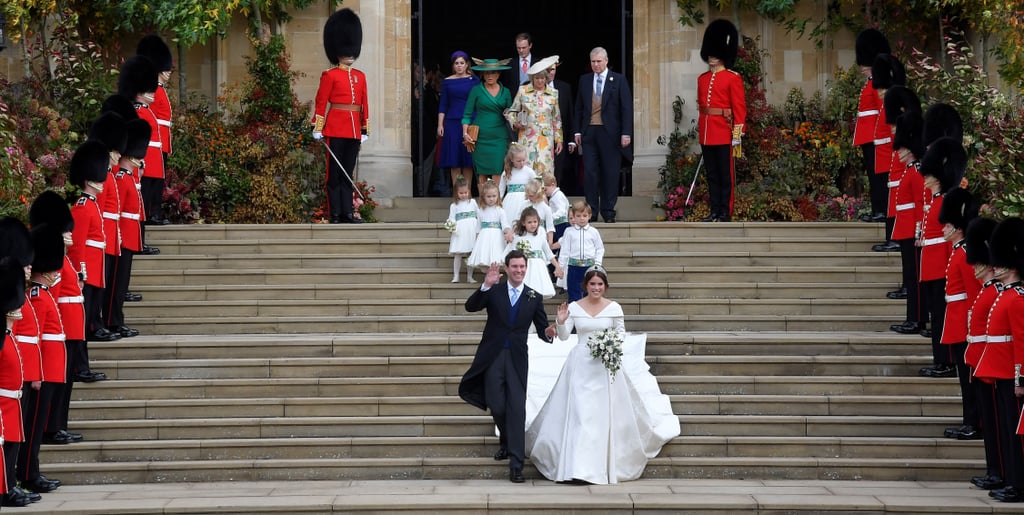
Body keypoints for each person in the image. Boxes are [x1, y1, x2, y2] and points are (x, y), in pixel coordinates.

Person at [527, 266, 680, 484]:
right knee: (580, 414)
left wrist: (608, 346)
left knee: (600, 416)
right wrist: (560, 321)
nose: (596, 288)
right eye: (592, 284)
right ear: (586, 286)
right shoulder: (574, 307)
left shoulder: (614, 308)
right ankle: (576, 468)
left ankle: (598, 467)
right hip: (580, 366)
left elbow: (620, 335)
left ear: (605, 286)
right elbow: (562, 337)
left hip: (605, 366)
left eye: (600, 284)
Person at [459, 250, 551, 483]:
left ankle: (516, 465)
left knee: (517, 409)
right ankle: (507, 441)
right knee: (498, 405)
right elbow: (470, 307)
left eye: (522, 267)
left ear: (526, 268)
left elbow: (544, 333)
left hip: (518, 359)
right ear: (507, 269)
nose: (519, 271)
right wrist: (485, 286)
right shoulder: (495, 290)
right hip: (492, 356)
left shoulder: (533, 296)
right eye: (515, 267)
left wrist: (554, 329)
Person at [312, 8, 368, 224]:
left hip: (354, 129)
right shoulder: (330, 75)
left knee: (347, 172)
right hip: (335, 127)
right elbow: (321, 101)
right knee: (334, 173)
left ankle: (347, 212)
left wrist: (365, 129)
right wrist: (318, 127)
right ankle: (334, 213)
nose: (350, 54)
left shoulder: (360, 77)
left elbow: (364, 105)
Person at [983, 217, 1024, 502]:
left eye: (999, 263)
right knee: (1008, 431)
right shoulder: (1006, 295)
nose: (993, 266)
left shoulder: (1018, 298)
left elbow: (1021, 342)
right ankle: (1012, 479)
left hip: (1013, 375)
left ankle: (1018, 483)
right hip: (1001, 371)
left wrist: (1020, 379)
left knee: (1015, 432)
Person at [916, 137, 964, 378]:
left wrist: (947, 271)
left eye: (928, 175)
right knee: (937, 317)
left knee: (941, 318)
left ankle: (945, 361)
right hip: (931, 265)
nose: (924, 178)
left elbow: (947, 238)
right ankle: (941, 359)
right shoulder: (936, 200)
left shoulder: (944, 201)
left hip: (940, 268)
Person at [936, 188, 981, 440]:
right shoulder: (958, 251)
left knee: (969, 377)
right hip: (956, 317)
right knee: (964, 377)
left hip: (964, 320)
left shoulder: (964, 254)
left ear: (958, 228)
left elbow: (974, 294)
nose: (943, 229)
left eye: (947, 226)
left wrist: (972, 326)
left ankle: (972, 421)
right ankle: (969, 418)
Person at [963, 217, 1003, 491]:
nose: (974, 267)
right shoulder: (989, 292)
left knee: (997, 425)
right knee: (990, 425)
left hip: (991, 365)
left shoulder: (997, 293)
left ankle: (999, 472)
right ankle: (995, 470)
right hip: (980, 362)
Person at [574, 47, 632, 223]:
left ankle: (608, 211)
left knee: (610, 172)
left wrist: (626, 133)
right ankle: (591, 211)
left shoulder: (619, 80)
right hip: (589, 132)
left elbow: (626, 108)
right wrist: (577, 131)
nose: (596, 65)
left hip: (610, 133)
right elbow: (579, 108)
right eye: (593, 61)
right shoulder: (584, 80)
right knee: (590, 173)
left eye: (599, 61)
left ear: (606, 61)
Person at [697, 19, 746, 223]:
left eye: (715, 52)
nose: (711, 56)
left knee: (726, 177)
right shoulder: (702, 79)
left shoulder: (732, 78)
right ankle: (715, 210)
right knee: (712, 175)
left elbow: (739, 110)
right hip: (707, 133)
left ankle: (725, 211)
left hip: (725, 133)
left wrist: (737, 136)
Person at [884, 89, 925, 335]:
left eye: (900, 147)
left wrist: (919, 230)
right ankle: (914, 318)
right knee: (911, 278)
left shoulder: (916, 170)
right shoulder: (911, 169)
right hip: (906, 227)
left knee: (914, 280)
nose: (896, 151)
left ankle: (916, 319)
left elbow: (920, 204)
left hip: (913, 230)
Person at [853, 28, 891, 224]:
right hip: (868, 135)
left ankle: (881, 210)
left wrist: (883, 138)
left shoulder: (878, 82)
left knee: (878, 176)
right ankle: (877, 208)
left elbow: (884, 111)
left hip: (876, 136)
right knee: (873, 175)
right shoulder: (871, 81)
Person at [135, 34, 174, 220]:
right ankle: (152, 213)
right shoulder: (154, 90)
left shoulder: (160, 89)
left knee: (158, 180)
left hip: (161, 142)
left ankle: (154, 213)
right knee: (152, 180)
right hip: (154, 143)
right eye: (166, 68)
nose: (169, 72)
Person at [869, 54, 905, 252]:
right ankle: (891, 237)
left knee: (894, 202)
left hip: (891, 159)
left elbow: (896, 135)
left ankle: (894, 238)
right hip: (884, 157)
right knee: (889, 201)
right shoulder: (888, 103)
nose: (879, 92)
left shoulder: (894, 104)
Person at [507, 55, 563, 175]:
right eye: (537, 78)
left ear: (546, 78)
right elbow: (512, 111)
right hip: (527, 138)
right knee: (526, 169)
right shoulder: (523, 91)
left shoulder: (553, 93)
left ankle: (544, 194)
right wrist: (515, 123)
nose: (540, 81)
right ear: (532, 78)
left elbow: (556, 118)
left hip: (546, 139)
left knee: (545, 171)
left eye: (542, 78)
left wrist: (559, 140)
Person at [463, 58, 513, 187]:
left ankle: (495, 204)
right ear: (483, 74)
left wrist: (511, 116)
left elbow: (511, 113)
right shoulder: (476, 90)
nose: (490, 76)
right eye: (487, 73)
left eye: (493, 73)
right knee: (482, 173)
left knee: (497, 170)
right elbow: (467, 114)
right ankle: (483, 204)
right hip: (480, 137)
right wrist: (465, 133)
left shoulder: (506, 92)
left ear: (498, 74)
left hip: (499, 137)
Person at [438, 51, 479, 191]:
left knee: (467, 160)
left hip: (471, 121)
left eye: (462, 63)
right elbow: (443, 104)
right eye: (457, 63)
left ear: (467, 64)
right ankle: (457, 193)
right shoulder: (447, 81)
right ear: (453, 65)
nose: (459, 66)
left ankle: (466, 193)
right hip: (452, 122)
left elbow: (478, 102)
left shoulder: (474, 80)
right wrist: (440, 125)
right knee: (454, 159)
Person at [504, 207, 561, 298]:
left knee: (537, 293)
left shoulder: (540, 236)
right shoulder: (518, 237)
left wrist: (558, 267)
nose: (533, 225)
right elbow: (511, 254)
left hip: (538, 268)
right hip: (524, 268)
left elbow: (549, 254)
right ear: (523, 223)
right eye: (529, 222)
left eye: (535, 222)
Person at [557, 201, 604, 302]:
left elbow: (600, 248)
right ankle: (574, 315)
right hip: (573, 268)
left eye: (584, 215)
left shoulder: (593, 232)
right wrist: (560, 267)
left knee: (590, 294)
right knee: (574, 295)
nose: (581, 218)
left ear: (589, 216)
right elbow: (564, 251)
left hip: (589, 267)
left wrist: (597, 263)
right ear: (573, 217)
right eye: (578, 216)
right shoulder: (569, 232)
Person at [466, 180, 512, 270]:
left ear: (498, 196)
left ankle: (496, 281)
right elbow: (478, 228)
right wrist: (476, 241)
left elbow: (505, 224)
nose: (491, 199)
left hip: (497, 238)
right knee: (485, 260)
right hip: (484, 238)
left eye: (494, 196)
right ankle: (489, 281)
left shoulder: (500, 210)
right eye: (489, 196)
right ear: (483, 197)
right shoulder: (480, 211)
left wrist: (507, 232)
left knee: (496, 260)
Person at [548, 63, 575, 190]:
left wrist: (571, 139)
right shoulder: (528, 88)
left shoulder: (564, 87)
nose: (551, 73)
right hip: (538, 137)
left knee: (558, 170)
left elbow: (570, 114)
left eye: (553, 69)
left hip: (559, 137)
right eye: (547, 70)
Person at [447, 177, 478, 283]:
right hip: (460, 232)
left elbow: (478, 215)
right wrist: (451, 226)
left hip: (471, 230)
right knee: (458, 254)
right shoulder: (454, 205)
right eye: (461, 193)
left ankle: (470, 276)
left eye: (466, 192)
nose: (464, 195)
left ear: (469, 191)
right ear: (456, 193)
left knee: (470, 253)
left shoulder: (473, 202)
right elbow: (451, 218)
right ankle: (456, 276)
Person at [500, 143, 535, 224]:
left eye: (524, 160)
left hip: (526, 201)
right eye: (519, 161)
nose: (522, 163)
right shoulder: (506, 172)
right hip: (510, 203)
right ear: (512, 159)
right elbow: (500, 191)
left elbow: (537, 186)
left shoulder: (529, 172)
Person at [542, 172, 570, 247]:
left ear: (553, 185)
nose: (544, 193)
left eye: (545, 190)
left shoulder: (558, 196)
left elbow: (562, 210)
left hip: (561, 224)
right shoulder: (553, 196)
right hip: (556, 224)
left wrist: (551, 217)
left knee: (560, 244)